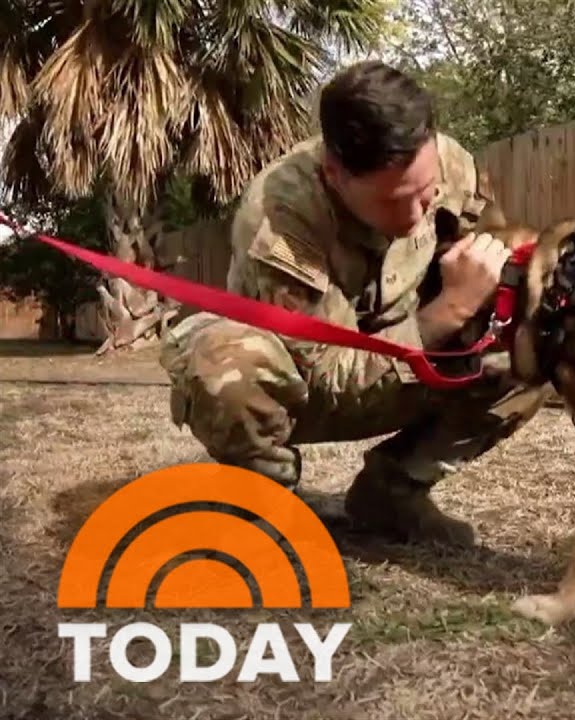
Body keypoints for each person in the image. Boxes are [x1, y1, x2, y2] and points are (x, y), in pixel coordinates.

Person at [158, 60, 549, 546]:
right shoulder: (281, 216)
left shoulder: (452, 165)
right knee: (225, 363)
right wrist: (449, 310)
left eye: (425, 196)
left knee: (533, 342)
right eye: (391, 202)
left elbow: (495, 258)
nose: (413, 218)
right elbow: (327, 376)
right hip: (301, 389)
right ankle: (265, 499)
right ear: (335, 174)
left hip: (409, 367)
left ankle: (392, 493)